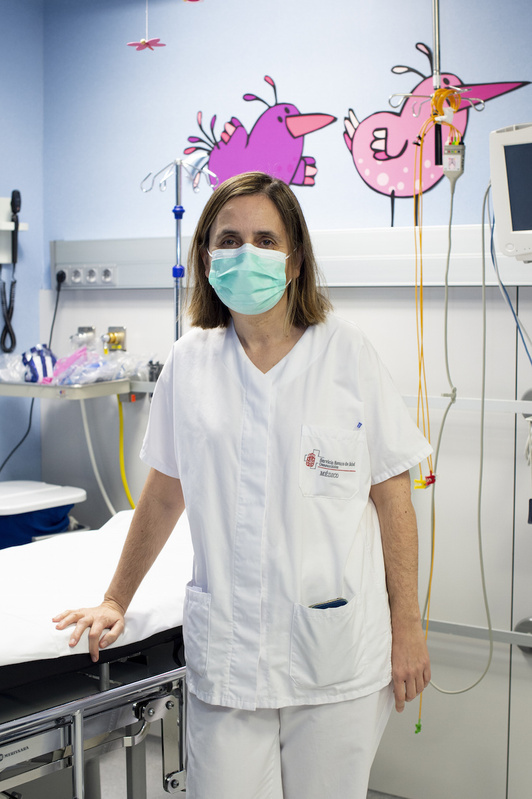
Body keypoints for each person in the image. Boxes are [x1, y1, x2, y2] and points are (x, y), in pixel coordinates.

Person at [54, 171, 432, 799]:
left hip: (334, 659)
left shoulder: (347, 355)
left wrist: (409, 629)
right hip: (230, 657)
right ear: (206, 256)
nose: (245, 254)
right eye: (228, 240)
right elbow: (164, 494)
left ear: (294, 258)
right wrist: (115, 598)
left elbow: (393, 498)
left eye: (264, 238)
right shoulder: (189, 364)